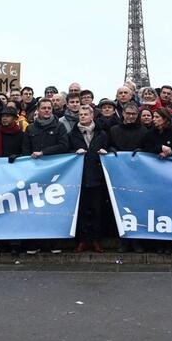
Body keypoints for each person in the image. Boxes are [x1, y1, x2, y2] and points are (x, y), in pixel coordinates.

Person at [68, 105, 110, 253]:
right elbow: (66, 151)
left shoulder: (102, 133)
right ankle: (83, 240)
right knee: (82, 211)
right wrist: (74, 151)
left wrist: (107, 152)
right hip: (80, 178)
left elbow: (110, 148)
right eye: (80, 114)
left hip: (97, 177)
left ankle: (96, 240)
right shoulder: (73, 134)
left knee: (97, 210)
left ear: (92, 116)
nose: (83, 116)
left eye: (85, 114)